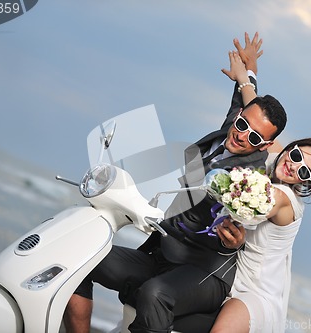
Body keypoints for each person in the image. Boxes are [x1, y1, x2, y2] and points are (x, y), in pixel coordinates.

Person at [63, 32, 288, 333]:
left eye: (255, 136)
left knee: (154, 294)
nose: (242, 133)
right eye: (243, 123)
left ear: (265, 146)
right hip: (163, 253)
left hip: (203, 271)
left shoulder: (250, 180)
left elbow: (243, 219)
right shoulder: (231, 131)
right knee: (79, 260)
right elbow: (244, 102)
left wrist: (233, 238)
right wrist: (248, 73)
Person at [210, 52, 311, 333]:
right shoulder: (274, 159)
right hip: (225, 272)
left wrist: (213, 180)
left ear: (306, 183)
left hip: (254, 292)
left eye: (304, 171)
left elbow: (251, 205)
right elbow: (256, 116)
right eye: (296, 154)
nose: (293, 165)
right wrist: (247, 75)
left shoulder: (283, 199)